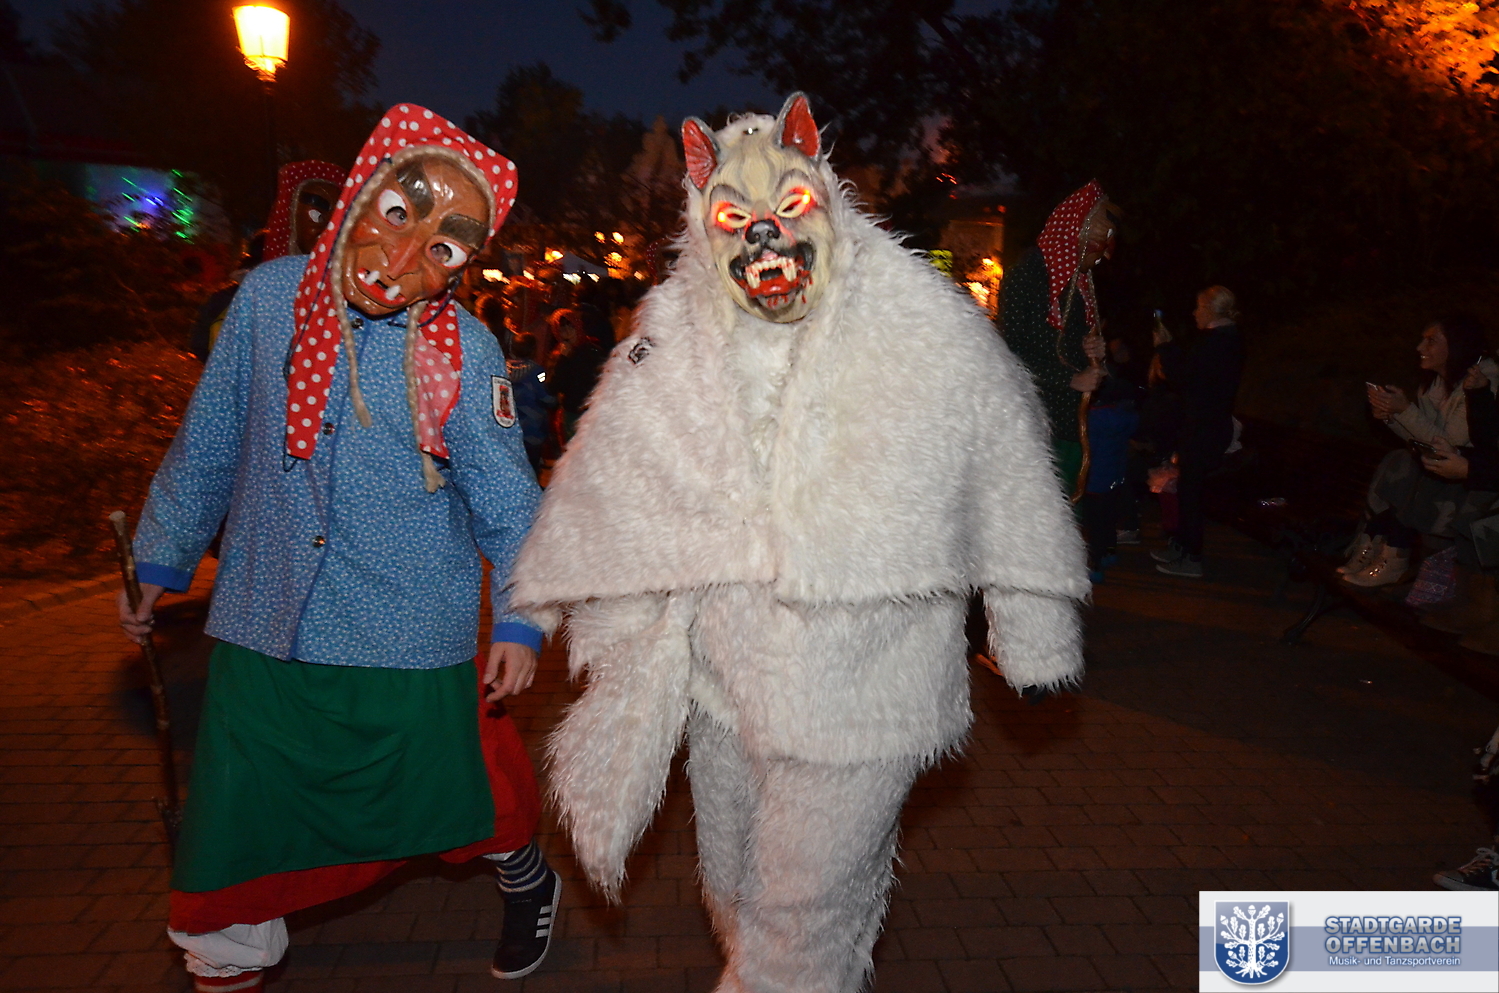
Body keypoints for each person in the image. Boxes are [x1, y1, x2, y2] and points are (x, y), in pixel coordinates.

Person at [507, 94, 1087, 992]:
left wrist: (1034, 624)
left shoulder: (921, 324)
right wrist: (532, 612)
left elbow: (1006, 458)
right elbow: (603, 470)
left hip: (869, 684)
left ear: (824, 196)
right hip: (725, 685)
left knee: (794, 927)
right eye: (733, 218)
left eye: (789, 206)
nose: (763, 234)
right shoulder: (674, 336)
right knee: (738, 894)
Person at [117, 107, 558, 991]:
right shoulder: (265, 301)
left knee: (463, 797)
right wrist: (158, 562)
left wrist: (522, 618)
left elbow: (509, 500)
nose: (403, 258)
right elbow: (210, 441)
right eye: (398, 212)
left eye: (443, 248)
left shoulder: (465, 350)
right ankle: (228, 959)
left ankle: (525, 875)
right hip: (265, 616)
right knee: (234, 843)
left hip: (405, 629)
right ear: (359, 192)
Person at [1339, 315, 1493, 588]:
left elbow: (1450, 444)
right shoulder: (1436, 383)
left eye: (1431, 341)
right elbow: (1422, 440)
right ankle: (1377, 542)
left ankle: (1392, 552)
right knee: (1400, 460)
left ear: (1457, 345)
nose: (1420, 347)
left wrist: (1405, 411)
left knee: (1409, 468)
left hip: (1471, 486)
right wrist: (1392, 417)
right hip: (1451, 475)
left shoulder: (1482, 379)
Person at [1001, 181, 1117, 496]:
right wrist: (1071, 379)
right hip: (1036, 426)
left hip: (1068, 425)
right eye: (1098, 246)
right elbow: (1011, 355)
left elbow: (1065, 346)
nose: (1101, 259)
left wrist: (1091, 351)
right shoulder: (1029, 275)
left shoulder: (1076, 285)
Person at [1149, 286, 1245, 578]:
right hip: (1204, 426)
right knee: (1187, 489)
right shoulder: (1224, 340)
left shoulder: (1218, 342)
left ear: (1212, 310)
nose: (1194, 313)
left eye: (1199, 307)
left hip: (1205, 429)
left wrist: (1165, 348)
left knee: (1191, 493)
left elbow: (1184, 378)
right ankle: (1181, 545)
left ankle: (1192, 557)